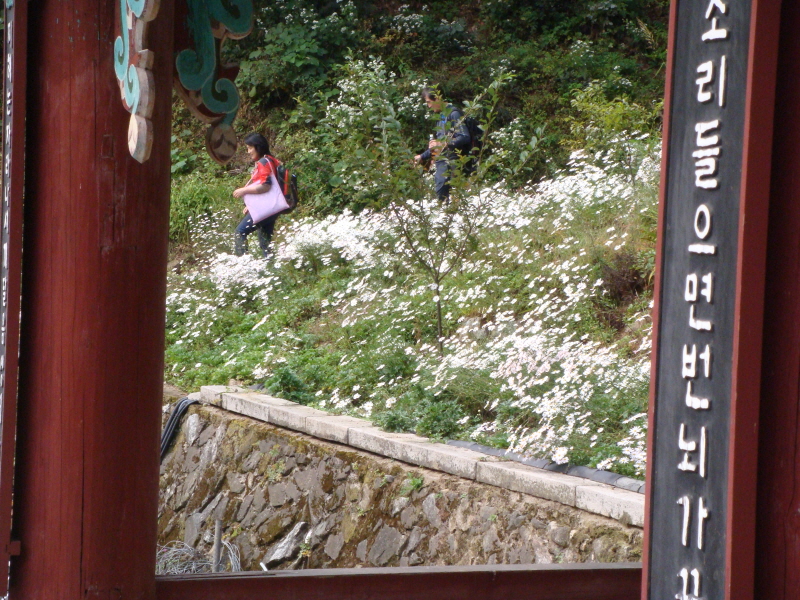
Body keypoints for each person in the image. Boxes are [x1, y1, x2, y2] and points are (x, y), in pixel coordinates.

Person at [414, 87, 472, 201]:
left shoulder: (454, 114)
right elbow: (440, 145)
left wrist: (444, 143)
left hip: (454, 163)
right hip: (442, 164)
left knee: (452, 197)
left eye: (429, 102)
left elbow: (464, 137)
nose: (428, 106)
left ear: (437, 99)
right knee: (442, 198)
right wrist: (422, 156)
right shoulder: (440, 116)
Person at [233, 132, 280, 258]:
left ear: (258, 147)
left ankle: (243, 263)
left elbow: (266, 186)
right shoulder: (272, 160)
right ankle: (270, 266)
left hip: (266, 207)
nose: (248, 152)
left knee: (240, 232)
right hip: (272, 206)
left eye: (250, 148)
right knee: (265, 241)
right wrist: (250, 205)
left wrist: (244, 190)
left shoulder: (263, 162)